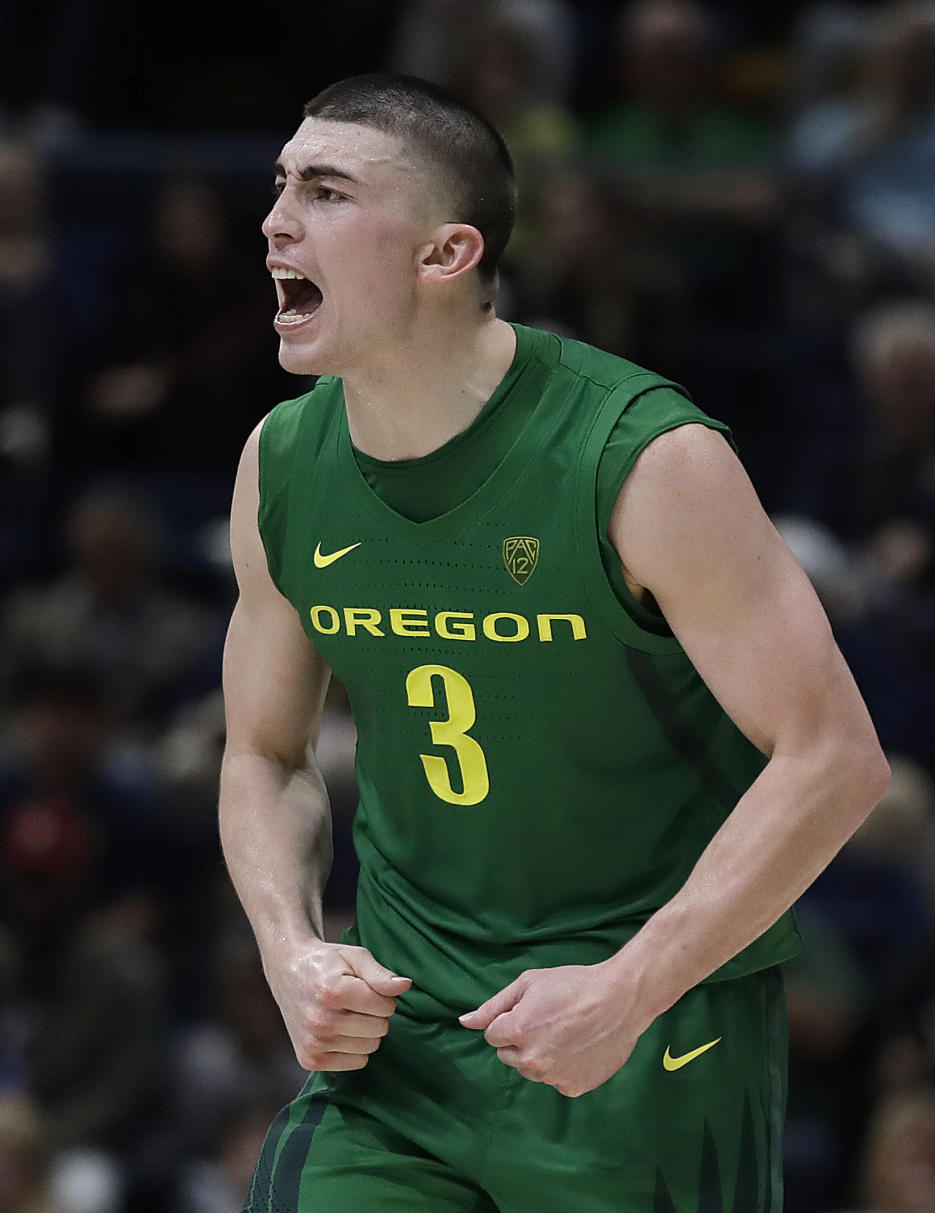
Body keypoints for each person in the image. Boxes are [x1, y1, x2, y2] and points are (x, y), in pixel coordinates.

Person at [219, 73, 889, 1212]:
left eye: (325, 191)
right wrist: (293, 948)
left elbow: (834, 759)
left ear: (446, 255)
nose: (277, 218)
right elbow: (265, 753)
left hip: (652, 1046)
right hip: (406, 1048)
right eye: (281, 184)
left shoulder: (644, 458)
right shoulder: (282, 461)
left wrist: (629, 990)